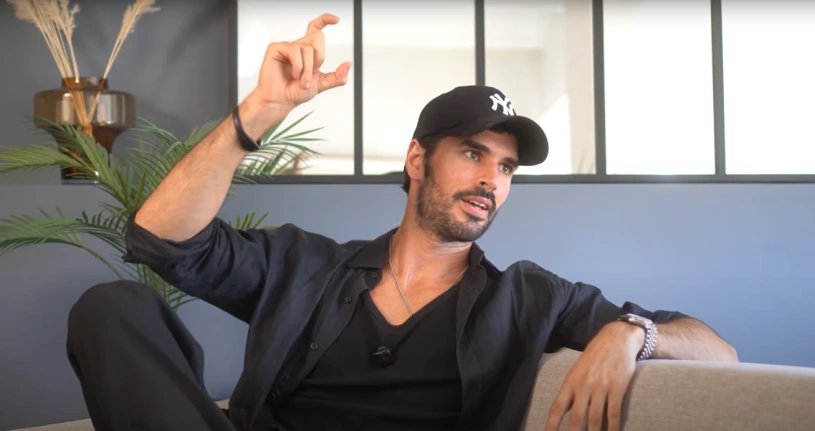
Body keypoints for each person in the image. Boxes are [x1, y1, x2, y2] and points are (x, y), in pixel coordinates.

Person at [65, 13, 738, 431]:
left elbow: (718, 350)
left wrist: (630, 330)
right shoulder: (303, 266)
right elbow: (160, 237)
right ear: (418, 159)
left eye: (506, 167)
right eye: (473, 153)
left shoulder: (528, 295)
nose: (491, 180)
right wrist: (259, 113)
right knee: (112, 306)